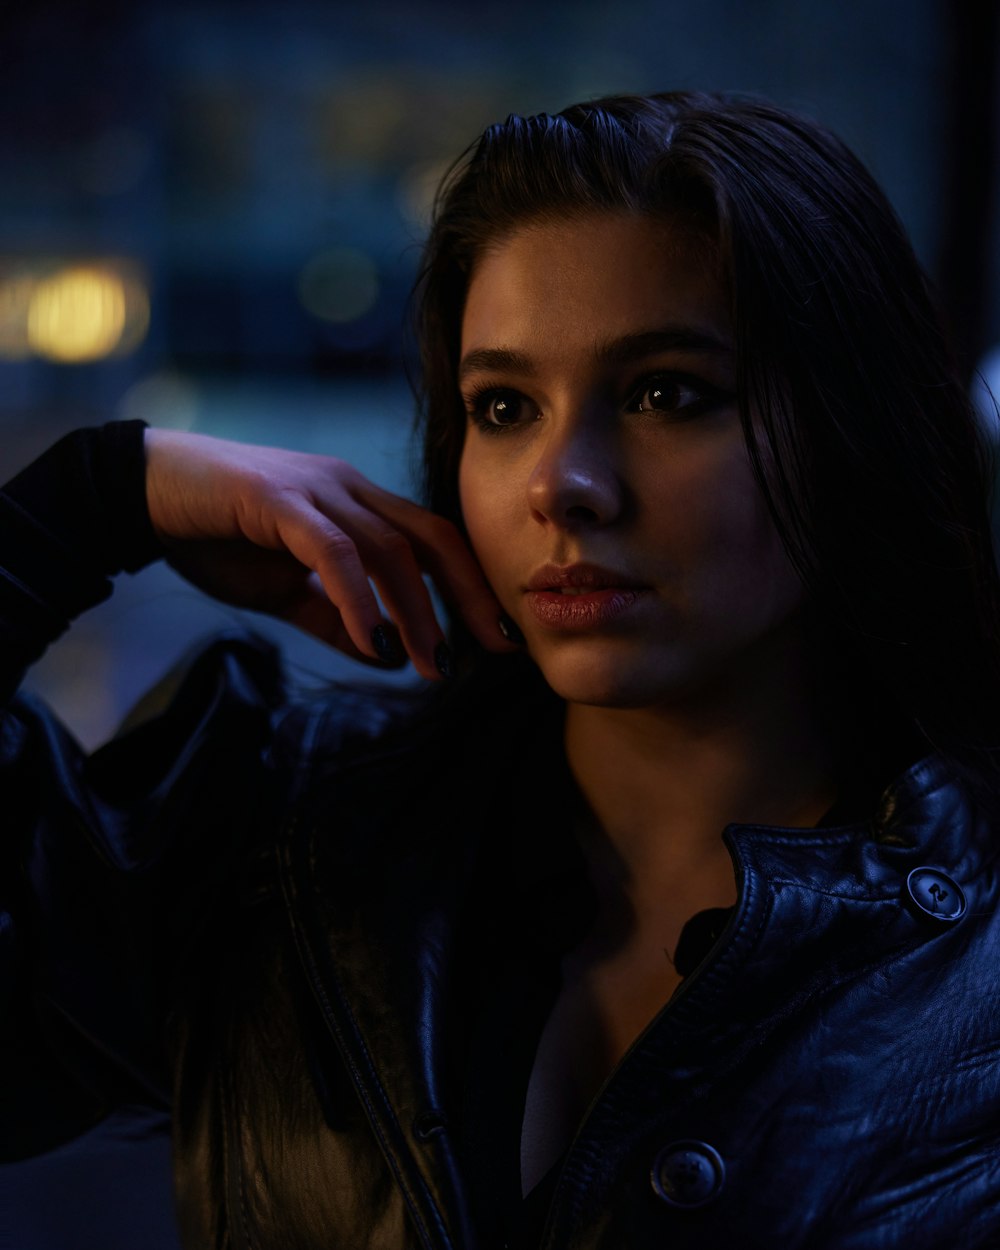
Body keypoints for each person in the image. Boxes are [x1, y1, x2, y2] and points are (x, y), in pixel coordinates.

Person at [3, 89, 1000, 1250]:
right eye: (504, 404)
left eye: (664, 391)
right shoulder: (274, 830)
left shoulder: (973, 943)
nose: (560, 482)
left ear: (849, 424)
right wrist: (74, 509)